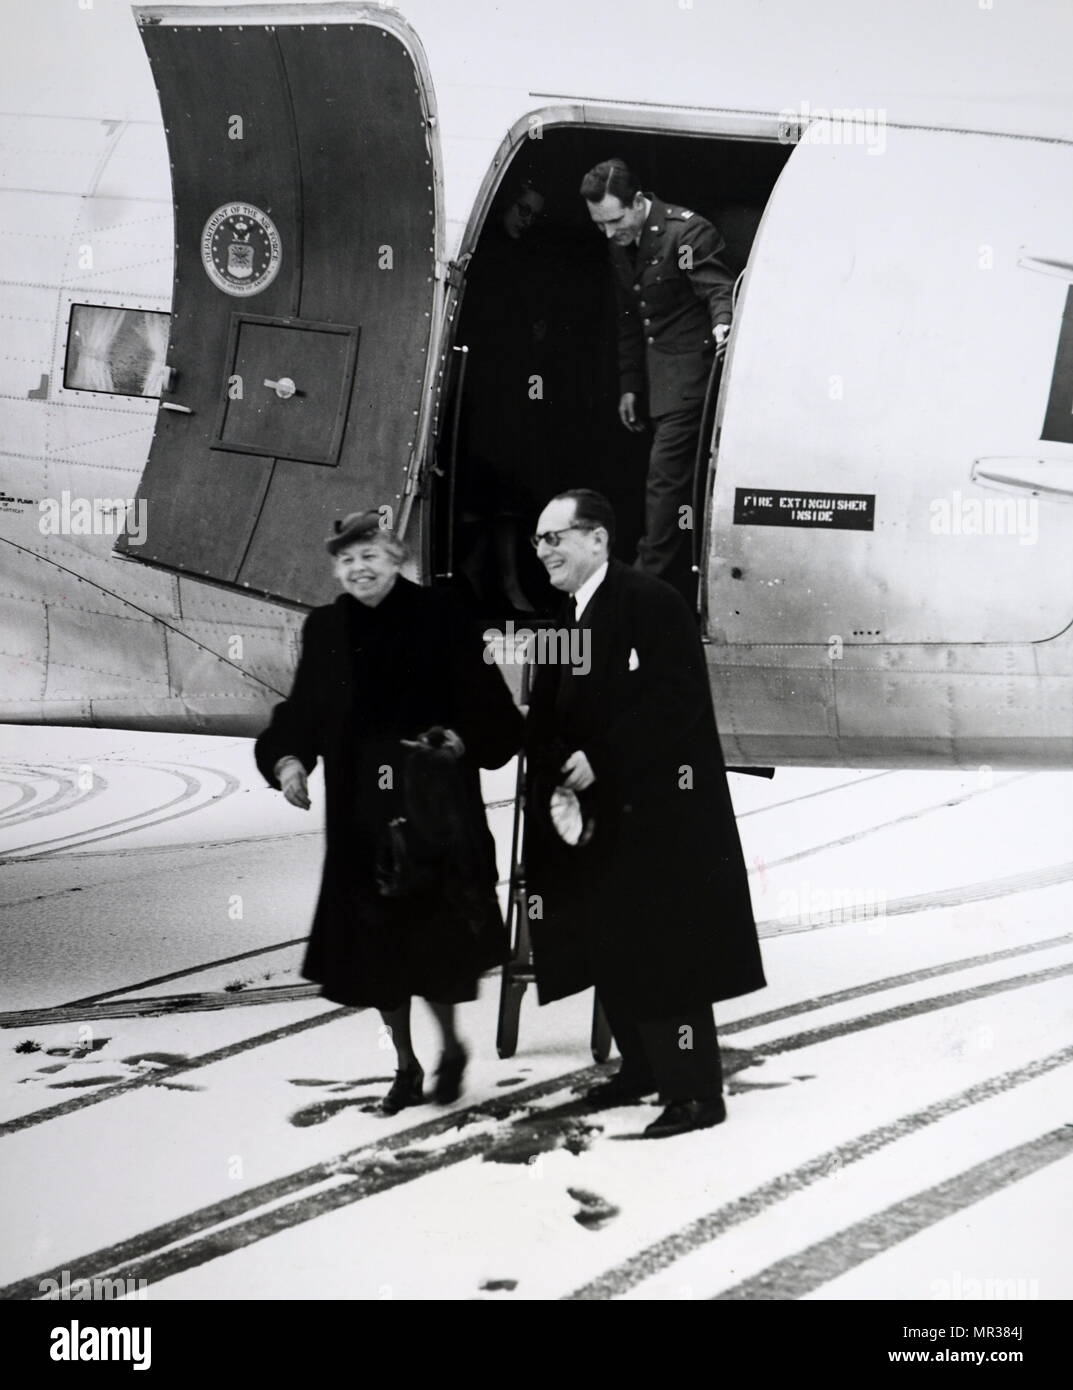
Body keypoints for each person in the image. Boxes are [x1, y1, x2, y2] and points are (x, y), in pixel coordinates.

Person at [254, 511, 522, 1113]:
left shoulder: (443, 617)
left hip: (434, 811)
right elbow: (301, 711)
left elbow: (492, 712)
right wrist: (289, 760)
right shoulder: (325, 628)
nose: (358, 568)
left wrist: (459, 741)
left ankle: (451, 1044)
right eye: (346, 560)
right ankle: (405, 1064)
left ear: (396, 557)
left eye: (369, 555)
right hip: (360, 818)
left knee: (436, 947)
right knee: (376, 952)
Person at [524, 489, 765, 1138]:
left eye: (556, 537)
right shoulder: (565, 614)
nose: (544, 550)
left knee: (668, 955)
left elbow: (676, 698)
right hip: (596, 825)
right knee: (612, 946)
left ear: (598, 539)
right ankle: (641, 1069)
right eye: (538, 540)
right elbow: (549, 710)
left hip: (660, 820)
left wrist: (600, 756)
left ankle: (695, 1093)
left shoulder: (649, 601)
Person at [580, 158, 736, 597]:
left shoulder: (685, 233)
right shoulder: (619, 240)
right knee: (659, 485)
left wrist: (723, 324)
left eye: (614, 221)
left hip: (691, 383)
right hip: (657, 386)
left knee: (665, 485)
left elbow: (717, 289)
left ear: (638, 202)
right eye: (600, 226)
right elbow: (631, 317)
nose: (610, 234)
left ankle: (637, 589)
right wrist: (630, 383)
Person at [457, 177, 550, 613]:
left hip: (508, 389)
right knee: (479, 489)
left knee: (504, 492)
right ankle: (481, 580)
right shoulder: (481, 254)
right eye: (523, 210)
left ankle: (497, 581)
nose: (527, 221)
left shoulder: (522, 258)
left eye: (534, 214)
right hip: (479, 389)